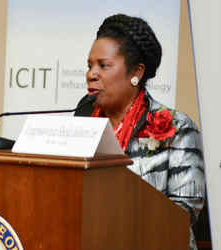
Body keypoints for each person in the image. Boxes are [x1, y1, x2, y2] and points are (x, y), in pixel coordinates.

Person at [75, 13, 205, 250]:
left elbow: (183, 213)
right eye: (90, 65)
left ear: (136, 73)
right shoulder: (84, 120)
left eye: (103, 65)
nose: (91, 74)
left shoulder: (177, 128)